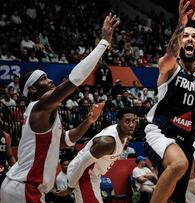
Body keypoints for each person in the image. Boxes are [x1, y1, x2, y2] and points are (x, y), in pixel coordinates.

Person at [0, 13, 119, 203]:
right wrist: (104, 42)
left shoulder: (44, 113)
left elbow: (64, 141)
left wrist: (88, 121)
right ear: (32, 89)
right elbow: (74, 80)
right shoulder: (39, 106)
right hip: (24, 188)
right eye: (44, 79)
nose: (50, 81)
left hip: (21, 186)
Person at [144, 0, 195, 202]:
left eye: (194, 37)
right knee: (179, 164)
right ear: (180, 42)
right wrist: (181, 23)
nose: (189, 39)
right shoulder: (170, 67)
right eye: (186, 36)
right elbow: (169, 56)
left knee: (177, 197)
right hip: (159, 132)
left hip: (186, 141)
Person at [67, 107, 137, 203]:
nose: (131, 125)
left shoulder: (124, 135)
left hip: (94, 175)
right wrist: (70, 187)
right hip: (82, 173)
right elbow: (81, 163)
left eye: (134, 121)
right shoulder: (107, 142)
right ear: (118, 122)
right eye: (127, 121)